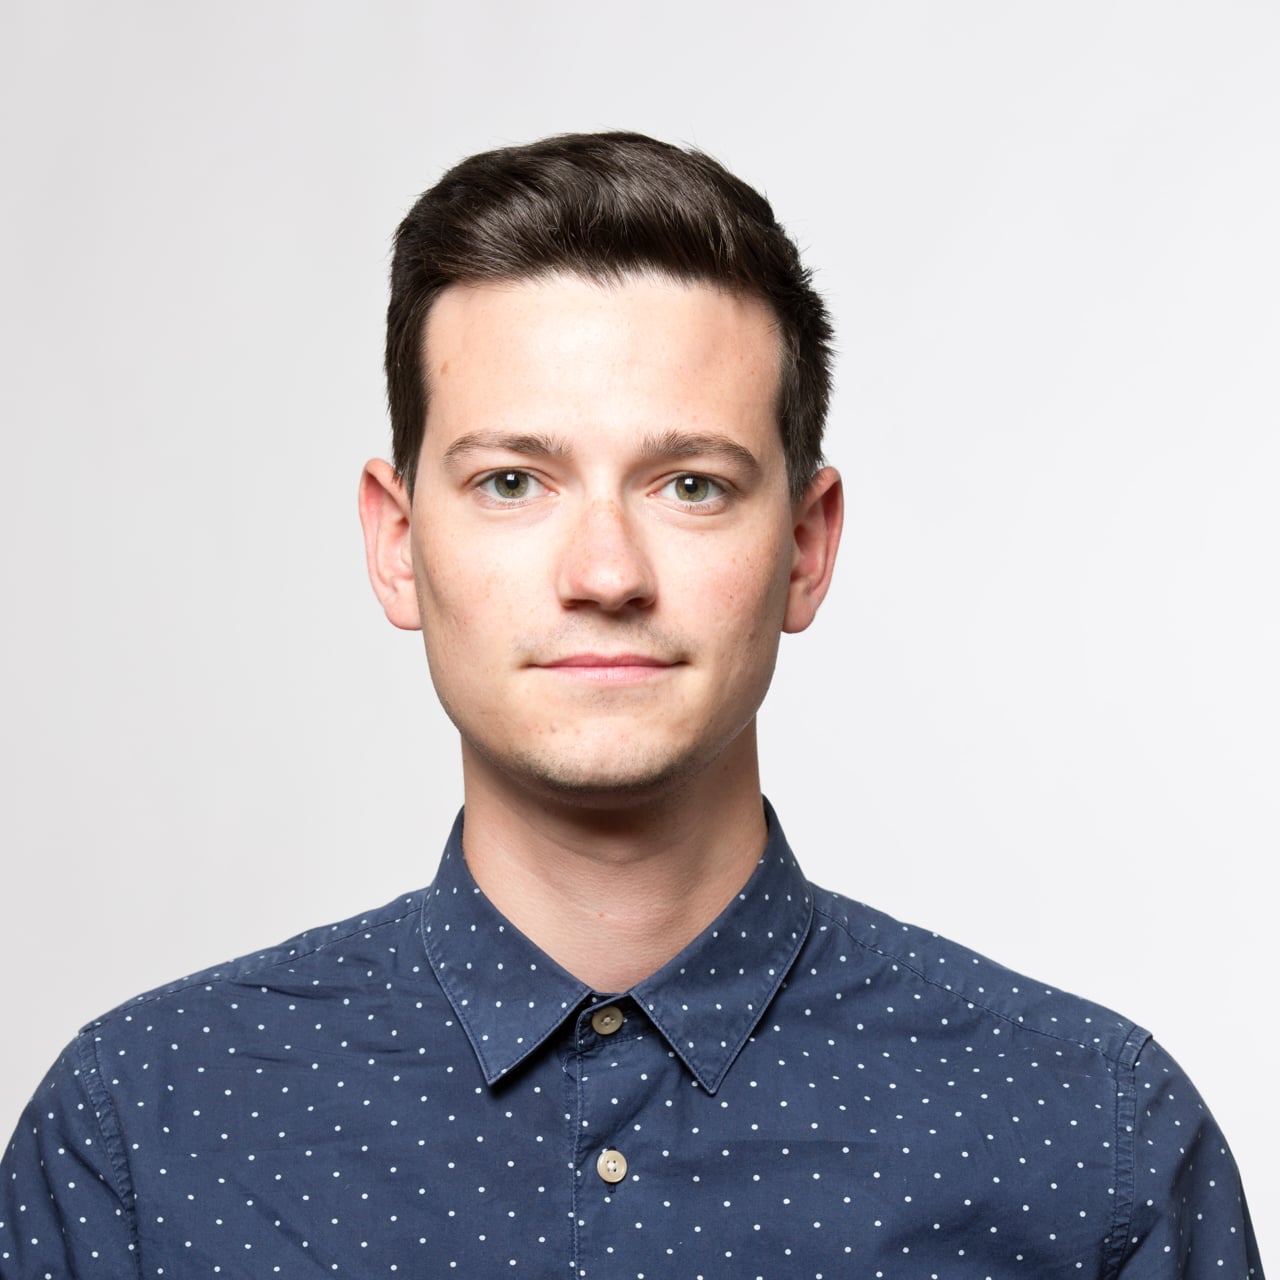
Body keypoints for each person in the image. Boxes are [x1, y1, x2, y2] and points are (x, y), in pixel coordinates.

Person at [0, 132, 1262, 1278]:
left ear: (805, 545)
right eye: (511, 480)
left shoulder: (1090, 1139)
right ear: (396, 542)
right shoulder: (141, 1131)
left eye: (690, 485)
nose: (604, 573)